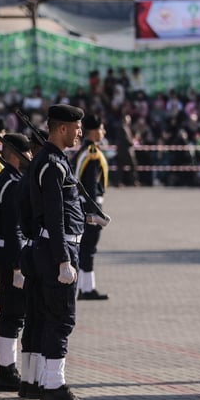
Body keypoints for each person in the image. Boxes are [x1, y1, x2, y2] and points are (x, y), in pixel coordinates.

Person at [27, 104, 93, 400]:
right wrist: (64, 258)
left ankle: (45, 381)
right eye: (77, 127)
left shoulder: (49, 160)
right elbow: (53, 216)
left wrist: (85, 220)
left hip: (49, 247)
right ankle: (54, 386)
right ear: (62, 129)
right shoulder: (52, 163)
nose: (80, 132)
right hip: (58, 251)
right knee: (61, 319)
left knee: (49, 317)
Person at [0, 133, 32, 392]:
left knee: (10, 312)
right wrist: (18, 266)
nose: (30, 158)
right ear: (15, 155)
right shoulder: (13, 183)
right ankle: (7, 370)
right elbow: (14, 227)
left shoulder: (4, 179)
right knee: (13, 314)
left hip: (2, 251)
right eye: (26, 153)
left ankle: (7, 367)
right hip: (10, 255)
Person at [74, 113, 109, 301]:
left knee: (85, 248)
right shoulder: (92, 154)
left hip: (83, 206)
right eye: (101, 128)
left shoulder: (84, 151)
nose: (103, 132)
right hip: (89, 207)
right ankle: (86, 289)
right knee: (88, 248)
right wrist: (95, 212)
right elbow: (90, 187)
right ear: (93, 131)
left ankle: (85, 287)